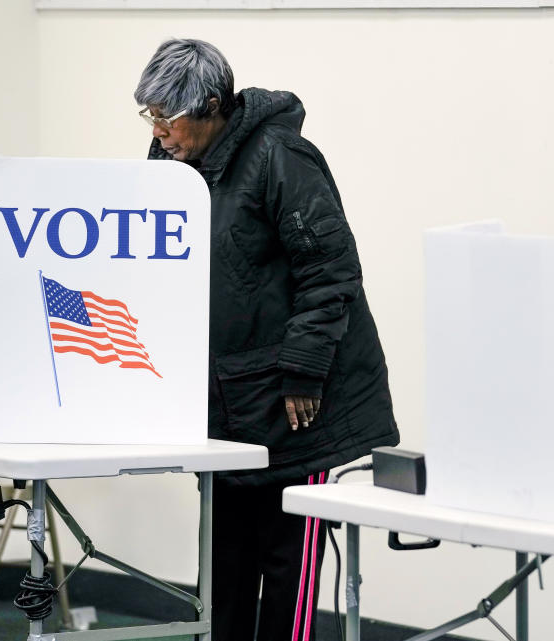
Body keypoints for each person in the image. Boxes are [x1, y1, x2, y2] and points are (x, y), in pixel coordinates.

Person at [134, 39, 399, 641]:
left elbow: (331, 272)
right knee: (224, 569)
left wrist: (304, 371)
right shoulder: (172, 167)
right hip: (225, 403)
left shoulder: (282, 157)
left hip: (293, 404)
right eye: (149, 117)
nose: (158, 132)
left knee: (288, 571)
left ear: (209, 107)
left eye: (167, 118)